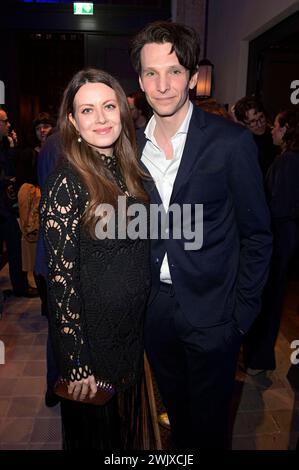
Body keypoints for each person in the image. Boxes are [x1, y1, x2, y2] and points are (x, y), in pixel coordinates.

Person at [130, 20, 272, 449]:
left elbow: (258, 235)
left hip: (215, 315)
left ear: (192, 77)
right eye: (152, 73)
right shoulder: (130, 148)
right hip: (156, 311)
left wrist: (240, 317)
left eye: (174, 71)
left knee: (210, 430)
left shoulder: (231, 143)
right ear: (139, 81)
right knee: (177, 418)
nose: (163, 85)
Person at [39, 68, 152, 449]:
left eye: (108, 106)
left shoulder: (131, 169)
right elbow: (60, 281)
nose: (101, 118)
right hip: (92, 344)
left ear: (122, 110)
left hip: (129, 338)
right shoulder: (66, 182)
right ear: (72, 121)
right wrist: (75, 362)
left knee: (124, 438)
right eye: (87, 110)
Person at [243, 107, 299, 374]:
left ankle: (258, 359)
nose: (272, 130)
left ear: (287, 129)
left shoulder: (288, 161)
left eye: (276, 125)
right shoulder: (288, 158)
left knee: (270, 299)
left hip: (279, 239)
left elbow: (280, 207)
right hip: (284, 238)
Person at [0, 107, 31, 297]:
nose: (9, 124)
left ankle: (20, 288)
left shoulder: (6, 144)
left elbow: (11, 172)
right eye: (5, 121)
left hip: (6, 208)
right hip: (2, 208)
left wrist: (12, 147)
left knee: (14, 248)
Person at [233, 96, 278, 179]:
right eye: (252, 121)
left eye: (261, 117)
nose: (260, 124)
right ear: (243, 123)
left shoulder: (276, 135)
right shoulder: (241, 144)